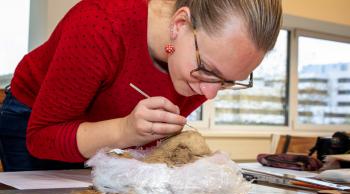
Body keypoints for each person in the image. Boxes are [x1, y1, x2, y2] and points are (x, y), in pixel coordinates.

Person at [0, 0, 282, 171]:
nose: (209, 93)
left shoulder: (200, 72)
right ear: (180, 23)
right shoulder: (101, 23)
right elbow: (42, 138)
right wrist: (124, 130)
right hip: (34, 119)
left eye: (228, 82)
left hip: (106, 129)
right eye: (208, 71)